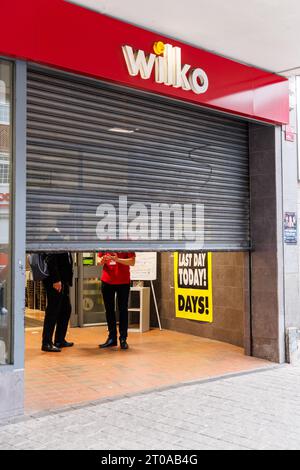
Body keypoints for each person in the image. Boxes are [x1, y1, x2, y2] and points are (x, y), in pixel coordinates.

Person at [98, 252, 136, 350]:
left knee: (123, 310)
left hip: (123, 282)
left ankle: (123, 339)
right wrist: (102, 261)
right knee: (109, 310)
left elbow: (132, 262)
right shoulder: (105, 241)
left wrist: (117, 259)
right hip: (107, 281)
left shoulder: (127, 242)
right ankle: (112, 338)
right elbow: (98, 260)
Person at [42, 252, 74, 352]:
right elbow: (50, 259)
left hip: (63, 281)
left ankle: (59, 340)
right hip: (55, 281)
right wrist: (56, 279)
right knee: (53, 311)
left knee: (66, 309)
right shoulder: (56, 240)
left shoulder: (64, 241)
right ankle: (46, 343)